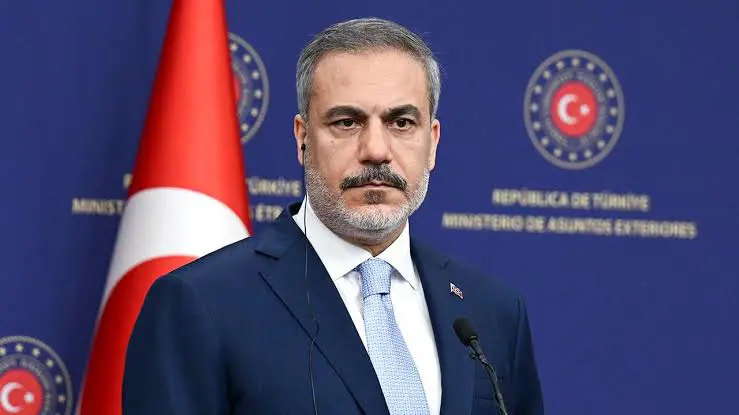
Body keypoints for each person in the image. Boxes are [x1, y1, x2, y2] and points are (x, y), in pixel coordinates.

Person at [123, 17, 544, 415]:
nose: (376, 150)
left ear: (432, 143)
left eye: (401, 122)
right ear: (302, 138)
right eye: (346, 122)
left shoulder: (493, 311)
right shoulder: (200, 303)